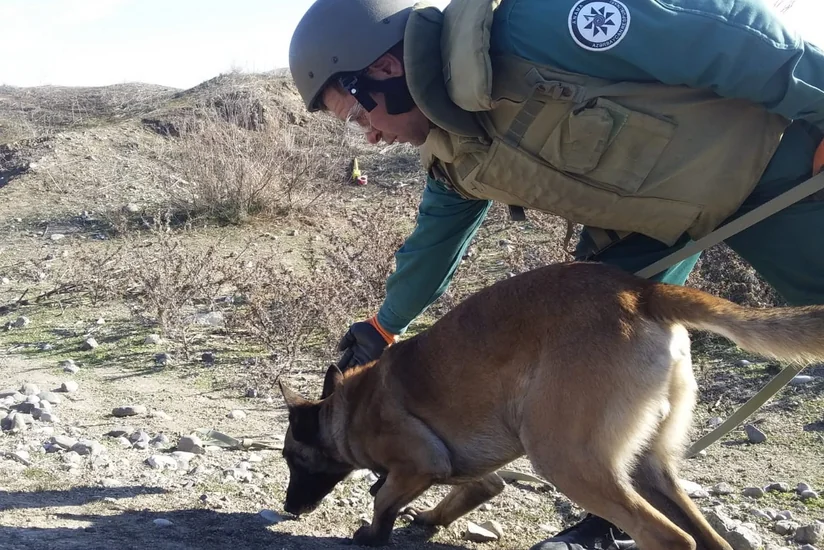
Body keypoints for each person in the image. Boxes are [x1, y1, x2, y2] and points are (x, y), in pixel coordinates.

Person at [288, 0, 824, 547]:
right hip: (655, 230)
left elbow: (721, 34)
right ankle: (612, 520)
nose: (370, 138)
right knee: (594, 373)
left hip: (778, 165)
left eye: (359, 116)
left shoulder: (533, 28)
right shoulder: (449, 151)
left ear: (383, 70)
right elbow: (432, 244)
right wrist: (383, 326)